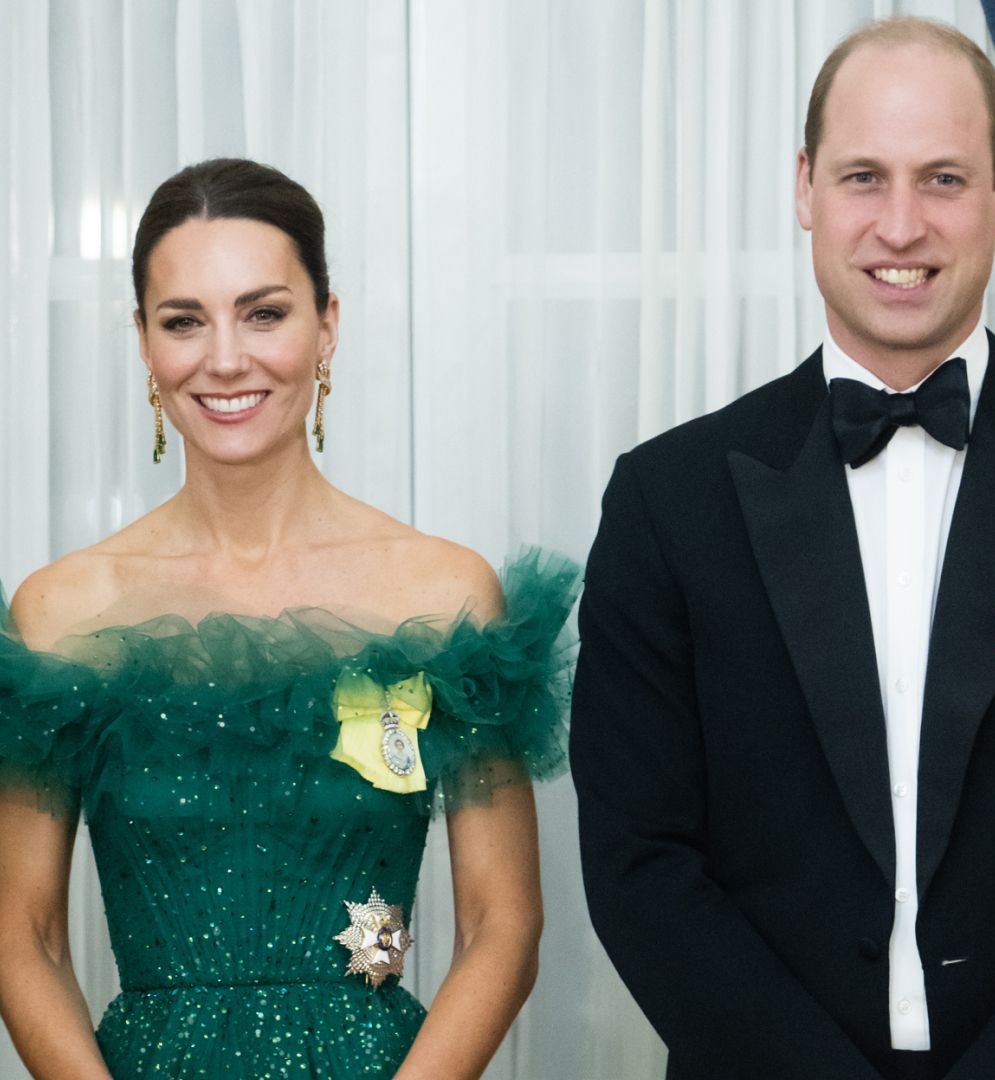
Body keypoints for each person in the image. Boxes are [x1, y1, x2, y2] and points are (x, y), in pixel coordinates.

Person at [572, 16, 995, 1080]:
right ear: (804, 189)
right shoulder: (669, 500)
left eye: (941, 179)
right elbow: (641, 866)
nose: (902, 225)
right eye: (863, 178)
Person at [0, 158, 579, 1079]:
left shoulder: (443, 597)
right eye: (183, 320)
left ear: (327, 327)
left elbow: (500, 927)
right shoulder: (60, 614)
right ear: (145, 344)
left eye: (263, 313)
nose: (225, 358)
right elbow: (22, 938)